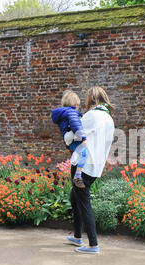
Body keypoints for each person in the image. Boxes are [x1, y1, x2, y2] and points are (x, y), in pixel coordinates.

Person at [66, 87, 115, 254]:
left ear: (90, 100)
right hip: (95, 167)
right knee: (75, 197)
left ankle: (93, 244)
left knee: (84, 202)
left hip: (82, 165)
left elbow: (75, 135)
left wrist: (67, 135)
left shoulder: (91, 116)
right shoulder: (108, 118)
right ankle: (78, 236)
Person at [51, 90, 88, 188]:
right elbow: (76, 126)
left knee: (79, 153)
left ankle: (76, 167)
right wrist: (84, 138)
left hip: (69, 139)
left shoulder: (64, 113)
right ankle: (78, 176)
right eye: (78, 105)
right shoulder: (71, 113)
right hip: (72, 137)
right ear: (76, 104)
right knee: (84, 152)